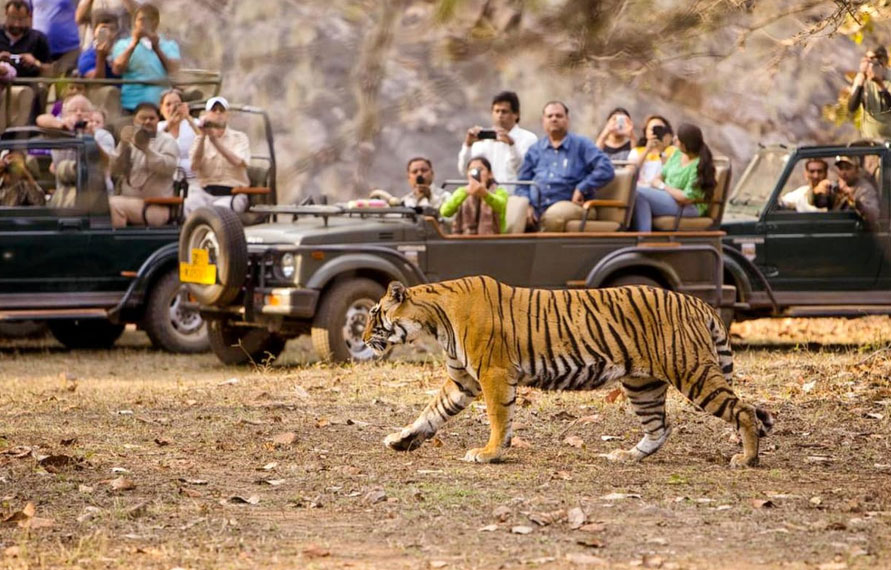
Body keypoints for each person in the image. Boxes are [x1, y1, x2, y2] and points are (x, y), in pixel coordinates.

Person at [516, 101, 615, 232]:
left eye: (559, 116)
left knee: (553, 216)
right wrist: (527, 204)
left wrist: (582, 188)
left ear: (567, 120)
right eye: (550, 116)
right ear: (543, 121)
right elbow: (522, 183)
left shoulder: (581, 145)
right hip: (538, 208)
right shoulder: (535, 150)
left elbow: (606, 168)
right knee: (513, 211)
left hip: (574, 206)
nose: (554, 119)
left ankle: (544, 252)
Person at [630, 123, 716, 232]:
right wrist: (663, 186)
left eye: (678, 139)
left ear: (685, 145)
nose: (674, 139)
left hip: (688, 207)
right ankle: (643, 235)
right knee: (637, 194)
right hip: (670, 197)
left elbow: (685, 197)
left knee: (639, 192)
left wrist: (663, 186)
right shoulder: (677, 154)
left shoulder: (698, 165)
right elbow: (659, 177)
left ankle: (644, 236)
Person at [108, 101, 177, 227]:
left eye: (152, 118)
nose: (147, 122)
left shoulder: (168, 141)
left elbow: (169, 168)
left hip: (156, 207)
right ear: (134, 120)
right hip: (128, 202)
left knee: (112, 204)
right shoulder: (128, 141)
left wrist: (146, 149)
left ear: (158, 120)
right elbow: (114, 169)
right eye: (143, 118)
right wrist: (123, 144)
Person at [457, 91, 537, 189]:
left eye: (504, 111)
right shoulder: (483, 140)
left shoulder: (528, 138)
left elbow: (522, 171)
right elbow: (464, 170)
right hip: (485, 196)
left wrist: (511, 145)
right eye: (496, 111)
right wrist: (468, 145)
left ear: (516, 114)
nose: (500, 115)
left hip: (515, 196)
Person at [186, 96, 252, 215]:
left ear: (227, 115)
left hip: (232, 194)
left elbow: (238, 161)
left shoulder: (240, 138)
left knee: (217, 214)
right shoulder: (199, 140)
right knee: (191, 205)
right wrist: (203, 137)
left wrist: (214, 141)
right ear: (207, 114)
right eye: (214, 110)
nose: (218, 113)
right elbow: (194, 166)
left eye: (221, 110)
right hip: (205, 193)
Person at [110, 3, 180, 112]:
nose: (145, 24)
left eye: (150, 20)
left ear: (156, 22)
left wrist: (157, 49)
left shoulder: (169, 45)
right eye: (141, 20)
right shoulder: (123, 44)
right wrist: (133, 44)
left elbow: (174, 70)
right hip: (131, 105)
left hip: (161, 106)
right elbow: (117, 69)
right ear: (135, 22)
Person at [0, 0, 52, 127]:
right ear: (6, 14)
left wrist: (36, 63)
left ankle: (24, 137)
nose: (17, 24)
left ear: (29, 16)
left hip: (28, 85)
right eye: (13, 18)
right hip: (1, 84)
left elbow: (50, 70)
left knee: (31, 93)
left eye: (21, 19)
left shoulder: (38, 38)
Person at [439, 156, 508, 235]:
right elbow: (445, 212)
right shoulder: (462, 191)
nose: (476, 173)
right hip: (464, 241)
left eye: (480, 169)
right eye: (471, 170)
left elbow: (501, 206)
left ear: (490, 174)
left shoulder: (499, 191)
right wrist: (465, 192)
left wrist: (485, 194)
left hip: (494, 240)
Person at [813, 155, 880, 230]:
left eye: (847, 168)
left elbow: (873, 214)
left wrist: (854, 201)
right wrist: (817, 192)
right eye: (841, 168)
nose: (844, 172)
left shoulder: (865, 189)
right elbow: (820, 203)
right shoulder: (836, 186)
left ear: (857, 170)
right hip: (836, 229)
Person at [158, 87, 198, 194]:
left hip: (193, 181)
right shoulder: (157, 128)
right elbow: (153, 146)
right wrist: (169, 125)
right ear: (161, 109)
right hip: (162, 182)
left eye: (177, 104)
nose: (173, 108)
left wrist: (188, 118)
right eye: (168, 104)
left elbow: (207, 140)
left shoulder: (195, 124)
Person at [848, 46, 891, 141]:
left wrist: (880, 84)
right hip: (869, 140)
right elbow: (852, 107)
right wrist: (860, 83)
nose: (871, 64)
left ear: (883, 61)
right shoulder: (862, 78)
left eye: (874, 60)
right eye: (867, 60)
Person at [627, 115, 677, 188]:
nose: (655, 132)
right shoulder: (637, 151)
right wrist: (647, 150)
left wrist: (662, 150)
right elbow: (630, 172)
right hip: (640, 188)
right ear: (646, 132)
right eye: (651, 129)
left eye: (659, 129)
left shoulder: (673, 151)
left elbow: (673, 174)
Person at [32, 0, 80, 75]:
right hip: (40, 52)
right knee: (40, 85)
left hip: (68, 51)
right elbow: (25, 12)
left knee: (66, 85)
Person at [77, 9, 119, 78]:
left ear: (116, 33)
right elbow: (96, 82)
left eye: (112, 29)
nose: (108, 33)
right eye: (103, 29)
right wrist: (100, 57)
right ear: (94, 32)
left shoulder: (121, 50)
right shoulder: (87, 56)